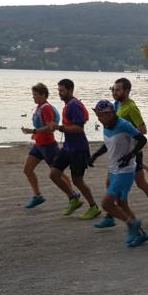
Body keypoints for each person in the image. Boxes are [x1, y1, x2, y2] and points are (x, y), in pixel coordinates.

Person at [94, 78, 148, 229]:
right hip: (118, 153)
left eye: (118, 90)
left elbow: (143, 130)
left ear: (127, 91)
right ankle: (111, 215)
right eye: (113, 89)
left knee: (141, 183)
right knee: (109, 182)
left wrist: (128, 136)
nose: (114, 92)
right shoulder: (117, 105)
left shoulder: (131, 107)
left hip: (132, 152)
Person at [88, 100, 148, 247]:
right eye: (97, 116)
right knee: (122, 204)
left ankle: (131, 224)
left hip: (126, 171)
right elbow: (108, 144)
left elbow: (142, 140)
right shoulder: (106, 125)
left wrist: (130, 155)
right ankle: (141, 234)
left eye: (101, 116)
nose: (99, 119)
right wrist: (95, 155)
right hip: (113, 170)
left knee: (106, 204)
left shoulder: (123, 125)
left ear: (109, 113)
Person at [50, 79, 101, 219]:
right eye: (58, 90)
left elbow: (79, 128)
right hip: (68, 147)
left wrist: (59, 128)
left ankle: (93, 207)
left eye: (62, 90)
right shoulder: (68, 105)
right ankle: (73, 198)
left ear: (70, 90)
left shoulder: (74, 105)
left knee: (77, 180)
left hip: (78, 149)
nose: (59, 93)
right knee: (54, 174)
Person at [20, 83, 75, 209]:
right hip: (39, 145)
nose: (33, 97)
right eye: (32, 94)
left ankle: (72, 194)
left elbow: (51, 129)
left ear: (43, 95)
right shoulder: (39, 107)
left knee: (57, 173)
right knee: (27, 170)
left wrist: (33, 131)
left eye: (35, 95)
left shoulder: (46, 108)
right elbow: (41, 126)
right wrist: (35, 135)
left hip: (49, 146)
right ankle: (37, 196)